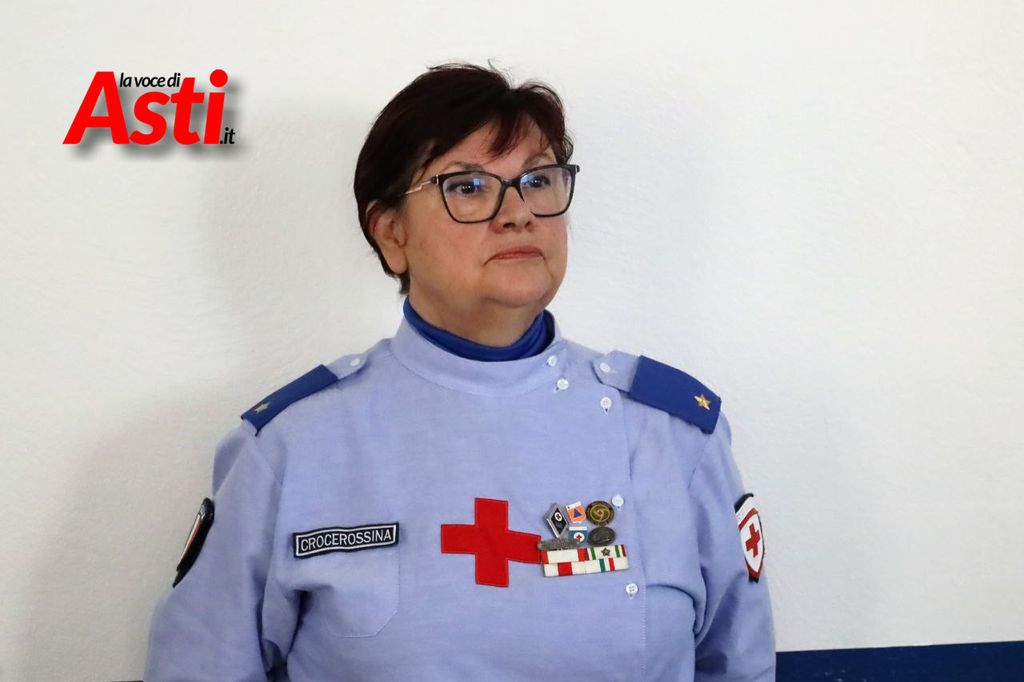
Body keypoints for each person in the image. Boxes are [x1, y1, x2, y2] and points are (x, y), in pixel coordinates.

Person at [144, 61, 776, 681]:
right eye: (469, 186)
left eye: (538, 180)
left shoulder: (673, 437)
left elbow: (739, 666)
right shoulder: (291, 448)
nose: (518, 212)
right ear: (391, 234)